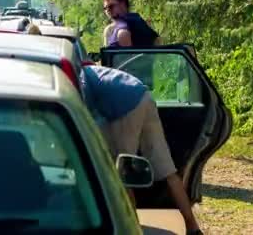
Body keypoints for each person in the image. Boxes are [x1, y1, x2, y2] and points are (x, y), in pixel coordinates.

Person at [81, 65, 202, 235]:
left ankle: (131, 230)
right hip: (144, 97)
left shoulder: (80, 75)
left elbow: (82, 108)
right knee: (168, 171)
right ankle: (193, 227)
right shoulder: (95, 71)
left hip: (126, 107)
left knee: (124, 174)